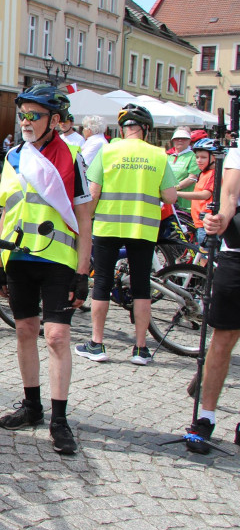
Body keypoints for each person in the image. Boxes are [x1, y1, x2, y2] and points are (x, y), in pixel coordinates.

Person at [0, 84, 92, 456]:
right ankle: (32, 407)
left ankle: (59, 420)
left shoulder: (73, 158)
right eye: (23, 115)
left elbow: (85, 218)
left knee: (57, 337)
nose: (26, 122)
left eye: (34, 116)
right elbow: (7, 211)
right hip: (19, 258)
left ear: (54, 120)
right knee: (25, 331)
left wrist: (83, 272)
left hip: (58, 261)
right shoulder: (14, 156)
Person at [76, 105, 176, 366]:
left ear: (122, 129)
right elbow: (170, 197)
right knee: (141, 286)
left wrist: (88, 219)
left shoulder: (107, 151)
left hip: (108, 226)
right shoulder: (158, 154)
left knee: (102, 283)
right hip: (143, 227)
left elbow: (93, 192)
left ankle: (97, 344)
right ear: (146, 129)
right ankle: (140, 349)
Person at [185, 139, 239, 453]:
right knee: (223, 337)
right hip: (237, 254)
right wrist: (221, 219)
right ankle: (205, 417)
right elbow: (229, 195)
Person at [177, 138, 217, 249]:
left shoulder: (213, 173)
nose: (199, 160)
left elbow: (205, 195)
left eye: (203, 157)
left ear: (214, 157)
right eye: (197, 157)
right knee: (202, 255)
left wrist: (177, 193)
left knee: (206, 256)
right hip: (200, 222)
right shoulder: (203, 173)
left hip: (206, 224)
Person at [167, 127, 199, 212]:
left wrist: (174, 189)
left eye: (184, 138)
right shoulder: (169, 156)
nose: (180, 140)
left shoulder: (193, 156)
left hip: (185, 202)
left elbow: (192, 178)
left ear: (189, 141)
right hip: (169, 199)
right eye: (177, 138)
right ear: (173, 140)